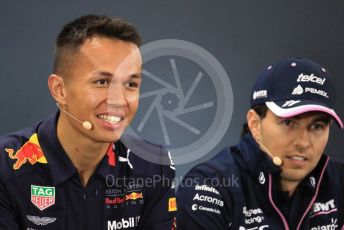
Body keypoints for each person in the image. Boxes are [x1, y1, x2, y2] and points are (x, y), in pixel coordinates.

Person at [0, 15, 176, 229]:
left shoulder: (154, 166)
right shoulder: (5, 166)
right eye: (102, 82)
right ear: (59, 90)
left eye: (131, 84)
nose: (119, 100)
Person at [176, 57, 344, 229]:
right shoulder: (209, 187)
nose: (303, 142)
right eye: (289, 123)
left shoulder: (339, 179)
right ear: (255, 124)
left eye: (317, 126)